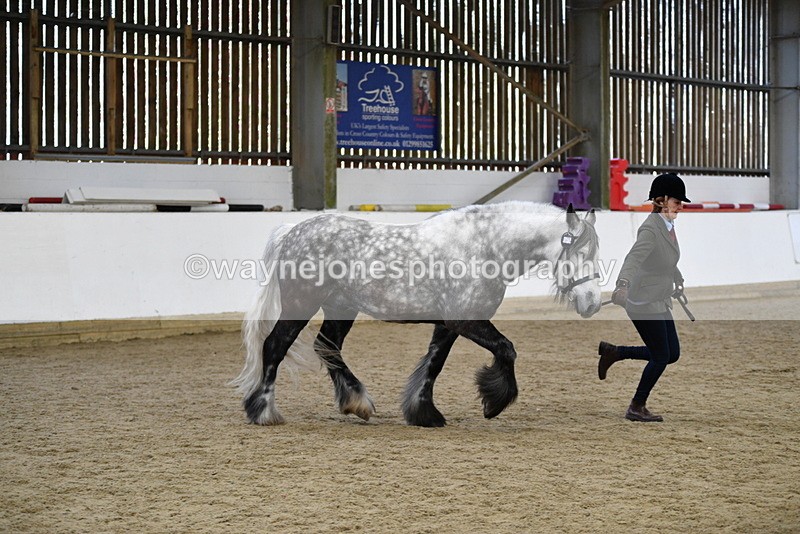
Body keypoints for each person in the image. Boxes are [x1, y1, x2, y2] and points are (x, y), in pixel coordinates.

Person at [598, 172, 691, 422]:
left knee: (672, 354)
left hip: (658, 298)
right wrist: (622, 285)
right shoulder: (651, 229)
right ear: (661, 200)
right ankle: (636, 406)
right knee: (661, 355)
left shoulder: (667, 226)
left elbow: (667, 258)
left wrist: (677, 277)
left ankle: (615, 352)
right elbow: (633, 259)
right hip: (641, 300)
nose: (680, 207)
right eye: (677, 202)